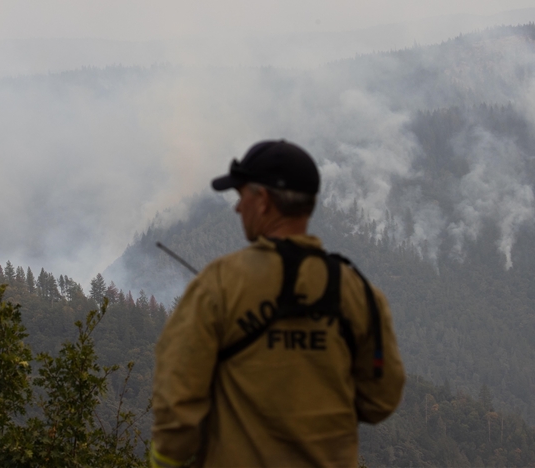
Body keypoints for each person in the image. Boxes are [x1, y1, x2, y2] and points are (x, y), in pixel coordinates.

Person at [150, 140, 405, 467]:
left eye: (241, 195)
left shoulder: (218, 284)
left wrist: (165, 460)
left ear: (264, 201)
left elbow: (177, 400)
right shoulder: (359, 292)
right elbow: (381, 400)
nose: (237, 208)